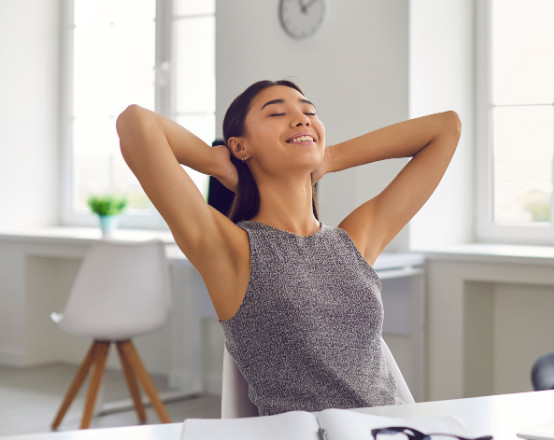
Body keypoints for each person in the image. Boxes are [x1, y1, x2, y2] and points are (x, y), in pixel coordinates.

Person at [117, 80, 460, 415]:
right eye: (276, 113)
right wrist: (215, 163)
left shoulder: (353, 241)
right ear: (241, 146)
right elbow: (137, 124)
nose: (302, 119)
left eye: (309, 111)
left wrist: (331, 157)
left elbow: (446, 128)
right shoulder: (231, 250)